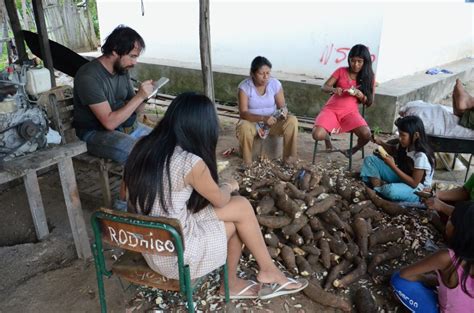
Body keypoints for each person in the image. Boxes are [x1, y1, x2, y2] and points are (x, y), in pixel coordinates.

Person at [123, 92, 308, 300]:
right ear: (202, 129)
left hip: (149, 244)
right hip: (176, 256)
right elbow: (220, 199)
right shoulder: (189, 162)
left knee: (241, 207)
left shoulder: (140, 146)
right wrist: (229, 185)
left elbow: (126, 194)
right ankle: (235, 283)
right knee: (236, 223)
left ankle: (268, 270)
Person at [73, 25, 154, 164]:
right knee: (139, 154)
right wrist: (139, 96)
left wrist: (146, 96)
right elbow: (109, 123)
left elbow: (137, 110)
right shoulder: (89, 77)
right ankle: (137, 185)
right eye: (132, 56)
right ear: (115, 50)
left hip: (124, 127)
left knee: (166, 142)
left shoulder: (122, 69)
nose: (135, 63)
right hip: (94, 133)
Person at [390, 201, 474, 313]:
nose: (447, 222)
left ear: (458, 230)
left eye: (450, 219)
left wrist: (424, 278)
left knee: (398, 279)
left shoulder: (446, 257)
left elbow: (405, 274)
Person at [312, 44, 374, 156]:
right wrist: (334, 89)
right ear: (349, 60)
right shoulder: (341, 71)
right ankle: (327, 138)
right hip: (331, 110)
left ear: (365, 62)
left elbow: (369, 102)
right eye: (353, 61)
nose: (355, 64)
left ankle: (352, 150)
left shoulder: (369, 77)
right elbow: (324, 87)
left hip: (350, 113)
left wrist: (361, 96)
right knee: (317, 135)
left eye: (359, 61)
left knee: (366, 134)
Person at [236, 56, 298, 166]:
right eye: (261, 73)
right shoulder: (244, 87)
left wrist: (283, 112)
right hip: (253, 123)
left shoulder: (275, 84)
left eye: (268, 73)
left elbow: (282, 106)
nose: (265, 77)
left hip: (272, 123)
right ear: (252, 73)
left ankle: (289, 158)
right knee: (243, 126)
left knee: (292, 121)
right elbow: (243, 113)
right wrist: (263, 118)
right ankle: (247, 162)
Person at [360, 115, 435, 203]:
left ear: (416, 135)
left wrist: (393, 166)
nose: (400, 138)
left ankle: (382, 192)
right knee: (370, 160)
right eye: (399, 134)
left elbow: (414, 183)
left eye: (403, 135)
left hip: (418, 189)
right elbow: (393, 149)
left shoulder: (421, 156)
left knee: (391, 190)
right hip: (403, 177)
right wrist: (379, 142)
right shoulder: (405, 145)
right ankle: (377, 189)